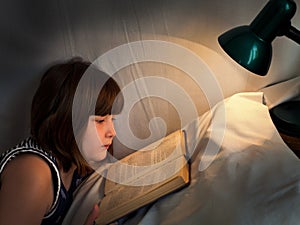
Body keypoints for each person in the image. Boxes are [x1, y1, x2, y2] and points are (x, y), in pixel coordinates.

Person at [0, 57, 124, 225]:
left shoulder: (77, 164)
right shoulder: (33, 172)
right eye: (100, 121)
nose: (113, 132)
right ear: (67, 121)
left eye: (113, 120)